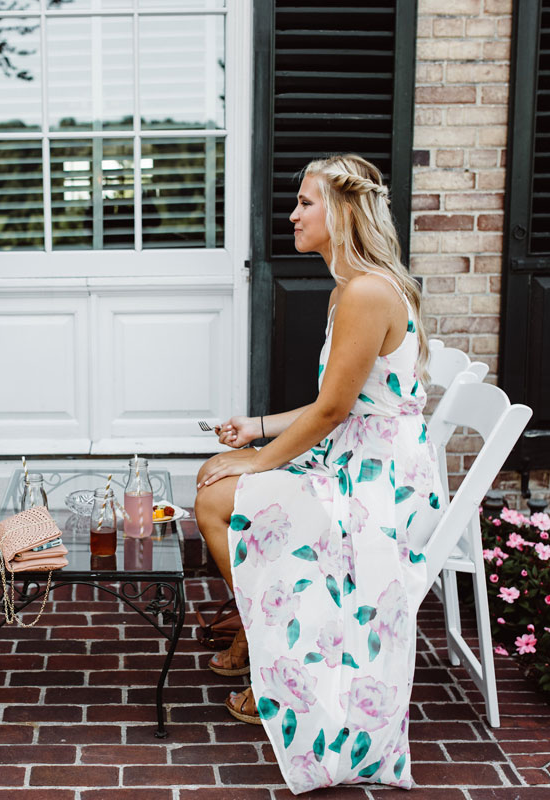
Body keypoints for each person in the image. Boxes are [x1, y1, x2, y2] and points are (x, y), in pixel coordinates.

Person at [193, 155, 441, 793]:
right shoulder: (357, 285)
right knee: (219, 484)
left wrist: (255, 459)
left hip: (381, 485)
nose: (293, 214)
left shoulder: (363, 291)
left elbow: (334, 409)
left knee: (220, 498)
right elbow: (350, 399)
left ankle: (267, 651)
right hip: (363, 455)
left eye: (306, 202)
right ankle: (261, 633)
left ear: (342, 211)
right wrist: (258, 427)